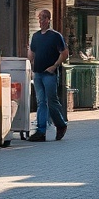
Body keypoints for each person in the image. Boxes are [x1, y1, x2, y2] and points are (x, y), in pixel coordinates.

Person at [27, 8, 69, 142]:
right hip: (38, 74)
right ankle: (41, 131)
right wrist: (29, 65)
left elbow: (64, 52)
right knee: (41, 102)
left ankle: (61, 125)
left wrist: (55, 66)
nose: (41, 21)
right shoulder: (36, 36)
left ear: (49, 20)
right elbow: (31, 53)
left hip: (49, 74)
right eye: (39, 18)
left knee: (52, 102)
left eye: (44, 18)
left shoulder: (55, 36)